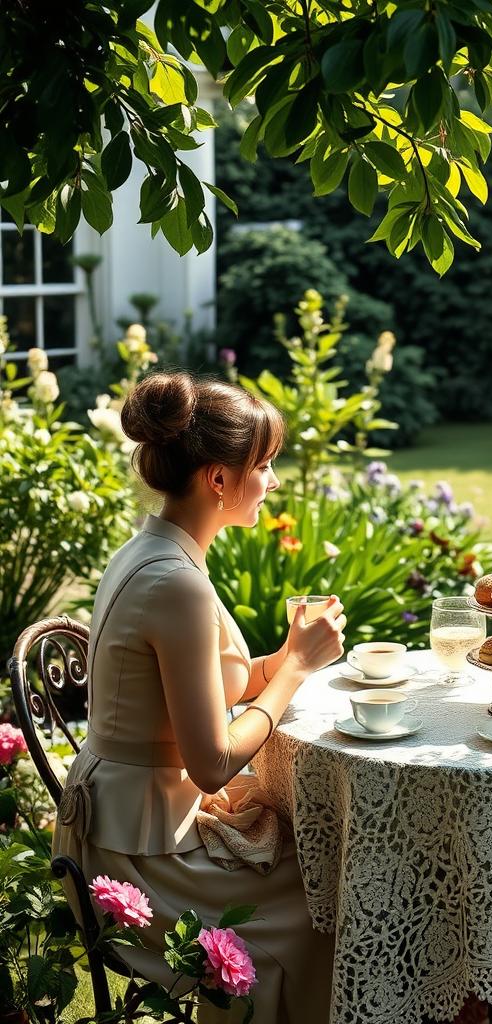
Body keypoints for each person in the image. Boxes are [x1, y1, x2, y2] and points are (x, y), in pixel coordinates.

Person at [53, 372, 343, 1023]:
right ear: (218, 479)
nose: (272, 482)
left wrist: (283, 657)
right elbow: (211, 761)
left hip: (135, 819)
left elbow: (215, 686)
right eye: (263, 465)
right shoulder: (174, 581)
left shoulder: (157, 548)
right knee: (325, 904)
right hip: (134, 855)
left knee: (323, 865)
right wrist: (296, 667)